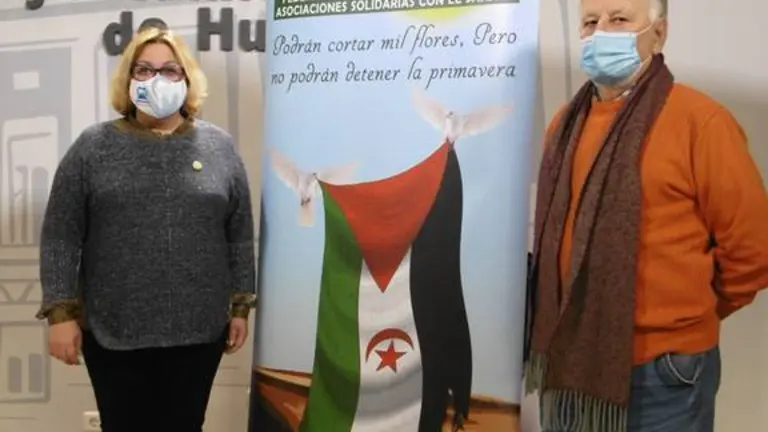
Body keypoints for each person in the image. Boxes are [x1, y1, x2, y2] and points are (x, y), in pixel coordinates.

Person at [524, 0, 768, 431]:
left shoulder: (701, 123)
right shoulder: (563, 127)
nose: (602, 32)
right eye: (590, 22)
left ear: (658, 34)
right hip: (568, 369)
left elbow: (753, 252)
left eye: (619, 19)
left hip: (664, 375)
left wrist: (683, 316)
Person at [36, 27, 257, 432]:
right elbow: (61, 235)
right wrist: (60, 313)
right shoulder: (92, 147)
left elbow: (238, 233)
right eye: (144, 70)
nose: (157, 79)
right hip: (114, 327)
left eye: (170, 70)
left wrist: (241, 304)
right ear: (128, 78)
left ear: (187, 79)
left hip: (199, 328)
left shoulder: (219, 147)